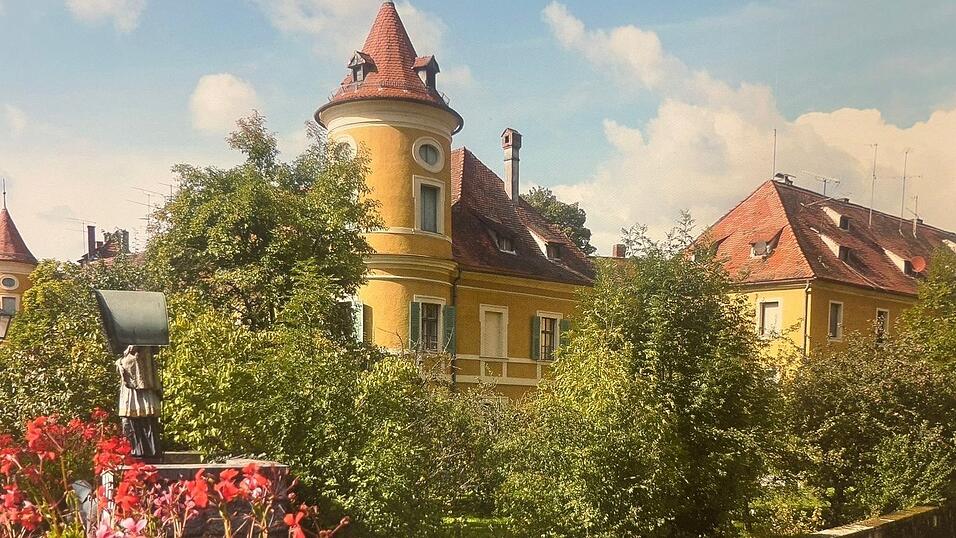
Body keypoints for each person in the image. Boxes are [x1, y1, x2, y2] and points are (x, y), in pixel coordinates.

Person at [116, 345, 163, 461]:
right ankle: (136, 449)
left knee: (145, 416)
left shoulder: (144, 347)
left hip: (143, 378)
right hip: (131, 380)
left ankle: (147, 450)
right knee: (131, 417)